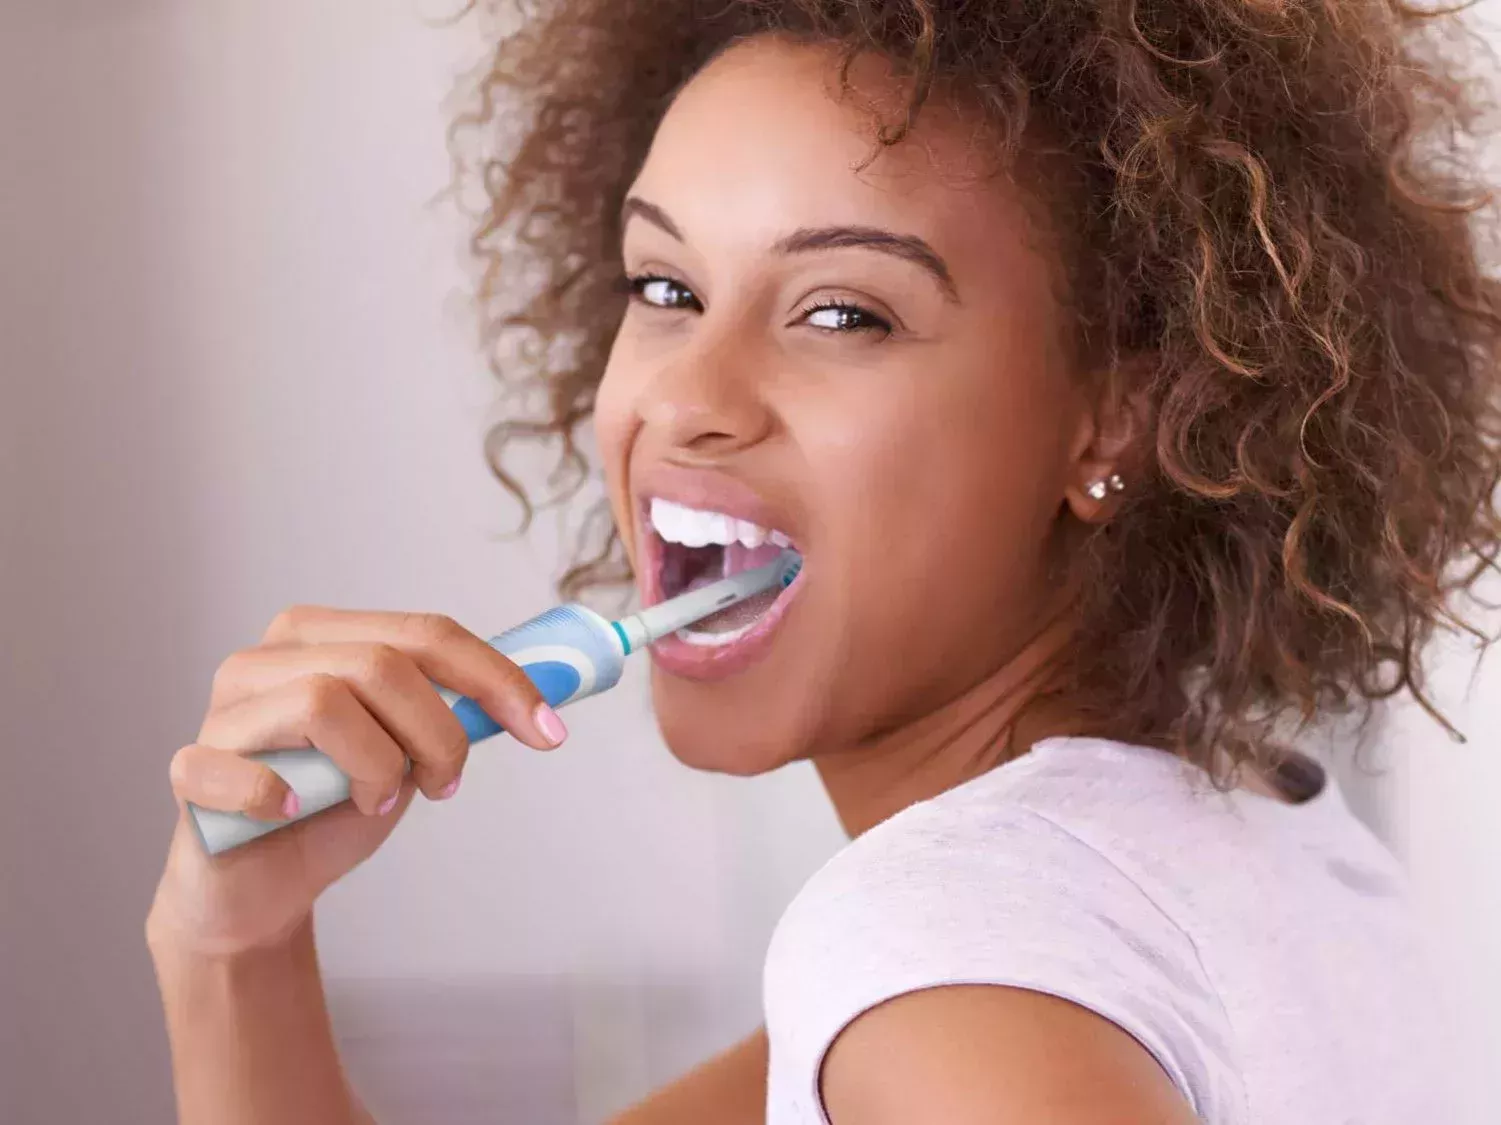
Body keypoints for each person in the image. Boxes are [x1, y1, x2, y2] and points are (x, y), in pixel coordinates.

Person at [145, 2, 1501, 1122]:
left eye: (844, 312)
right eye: (666, 289)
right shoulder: (1233, 848)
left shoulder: (951, 963)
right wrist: (234, 951)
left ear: (1121, 414)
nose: (690, 398)